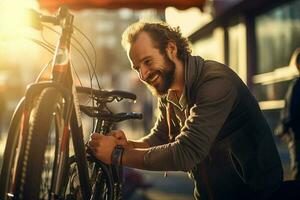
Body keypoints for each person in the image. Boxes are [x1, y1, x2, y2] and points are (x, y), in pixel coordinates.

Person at [88, 22, 284, 200]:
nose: (143, 74)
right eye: (137, 68)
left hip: (255, 194)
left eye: (148, 61)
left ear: (171, 49)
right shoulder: (167, 91)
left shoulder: (215, 83)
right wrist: (129, 145)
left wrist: (116, 156)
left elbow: (186, 152)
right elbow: (160, 137)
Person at [275, 48, 300, 180]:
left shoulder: (296, 85)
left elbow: (290, 111)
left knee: (298, 170)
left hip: (297, 136)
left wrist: (282, 129)